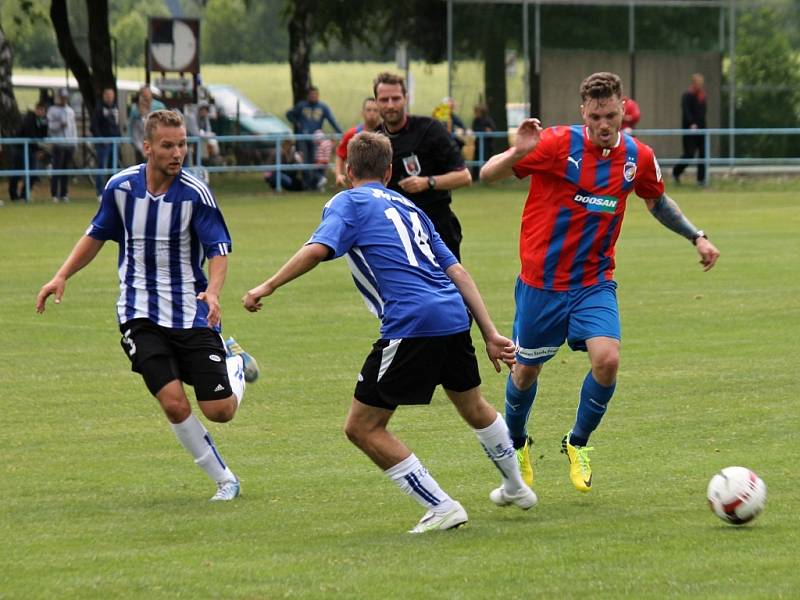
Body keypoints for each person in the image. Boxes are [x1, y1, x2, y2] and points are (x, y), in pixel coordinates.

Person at [242, 131, 536, 533]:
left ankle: (442, 506)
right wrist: (489, 333)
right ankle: (516, 486)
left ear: (347, 171)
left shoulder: (346, 201)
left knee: (361, 427)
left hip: (412, 322)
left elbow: (317, 249)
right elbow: (459, 272)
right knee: (473, 405)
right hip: (452, 315)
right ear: (390, 171)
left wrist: (267, 285)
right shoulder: (411, 207)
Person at [479, 72, 720, 494]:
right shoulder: (555, 144)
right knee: (524, 374)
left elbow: (656, 200)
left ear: (623, 110)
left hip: (594, 282)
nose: (604, 125)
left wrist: (696, 235)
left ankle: (577, 443)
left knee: (607, 360)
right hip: (542, 285)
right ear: (583, 114)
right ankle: (516, 444)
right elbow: (487, 174)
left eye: (611, 115)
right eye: (595, 117)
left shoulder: (637, 157)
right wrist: (517, 150)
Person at [36, 109, 260, 502]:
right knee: (173, 402)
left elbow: (218, 250)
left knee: (220, 410)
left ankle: (235, 362)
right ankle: (225, 480)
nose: (177, 153)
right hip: (138, 313)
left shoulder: (196, 193)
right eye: (168, 145)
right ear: (147, 147)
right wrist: (62, 275)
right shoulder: (120, 188)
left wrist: (215, 293)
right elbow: (97, 234)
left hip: (190, 311)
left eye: (183, 145)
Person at [374, 72, 472, 261]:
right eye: (384, 100)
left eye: (396, 98)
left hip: (436, 226)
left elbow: (464, 176)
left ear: (406, 99)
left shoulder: (430, 129)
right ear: (377, 102)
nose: (390, 105)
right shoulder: (375, 139)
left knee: (446, 288)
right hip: (396, 232)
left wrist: (428, 182)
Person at [286, 86, 342, 189]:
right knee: (304, 161)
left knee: (314, 161)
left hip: (316, 139)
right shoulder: (301, 106)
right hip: (302, 138)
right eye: (311, 95)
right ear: (308, 96)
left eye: (315, 95)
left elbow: (332, 120)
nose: (313, 97)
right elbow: (289, 114)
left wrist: (341, 133)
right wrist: (297, 123)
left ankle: (314, 183)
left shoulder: (322, 107)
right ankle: (309, 183)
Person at [334, 97, 381, 187]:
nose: (372, 113)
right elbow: (340, 155)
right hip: (356, 187)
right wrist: (338, 175)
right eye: (368, 110)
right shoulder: (352, 134)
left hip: (380, 187)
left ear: (380, 113)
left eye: (375, 110)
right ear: (362, 112)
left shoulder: (386, 134)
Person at [8, 102, 47, 202]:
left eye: (43, 111)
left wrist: (44, 124)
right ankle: (13, 196)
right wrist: (39, 148)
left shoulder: (41, 121)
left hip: (31, 150)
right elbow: (30, 134)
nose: (41, 112)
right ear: (36, 109)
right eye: (40, 110)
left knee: (33, 173)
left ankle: (24, 195)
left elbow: (43, 136)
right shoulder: (29, 118)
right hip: (20, 149)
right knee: (16, 173)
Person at [672, 73, 707, 185]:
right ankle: (676, 172)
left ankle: (701, 179)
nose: (700, 85)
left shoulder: (702, 96)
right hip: (690, 130)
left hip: (702, 129)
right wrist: (691, 123)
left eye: (701, 83)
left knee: (703, 154)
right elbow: (686, 111)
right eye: (698, 83)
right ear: (694, 83)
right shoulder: (687, 95)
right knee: (689, 154)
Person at [91, 87, 121, 201]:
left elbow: (117, 124)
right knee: (101, 167)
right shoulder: (99, 108)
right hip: (103, 143)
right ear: (104, 96)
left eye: (111, 95)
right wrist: (100, 139)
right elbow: (94, 126)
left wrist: (118, 137)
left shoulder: (115, 107)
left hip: (115, 142)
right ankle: (99, 192)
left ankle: (111, 191)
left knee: (113, 167)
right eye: (107, 95)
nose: (109, 97)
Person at [47, 88, 77, 203]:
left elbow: (73, 127)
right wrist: (59, 125)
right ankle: (54, 193)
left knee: (66, 170)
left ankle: (64, 193)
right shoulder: (52, 110)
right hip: (58, 143)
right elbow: (50, 127)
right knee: (57, 169)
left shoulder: (70, 110)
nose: (64, 99)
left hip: (69, 143)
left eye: (65, 97)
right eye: (62, 97)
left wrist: (75, 141)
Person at [129, 85, 166, 163]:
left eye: (147, 94)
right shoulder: (135, 110)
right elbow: (132, 128)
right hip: (141, 145)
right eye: (143, 95)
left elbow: (164, 123)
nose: (145, 97)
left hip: (156, 143)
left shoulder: (159, 106)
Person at [470, 103, 496, 178]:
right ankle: (475, 178)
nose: (475, 113)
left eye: (477, 111)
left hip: (487, 144)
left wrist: (489, 131)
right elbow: (474, 129)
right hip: (478, 144)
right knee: (477, 159)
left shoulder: (488, 120)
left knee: (486, 161)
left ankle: (487, 177)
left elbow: (493, 130)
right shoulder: (476, 120)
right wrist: (484, 130)